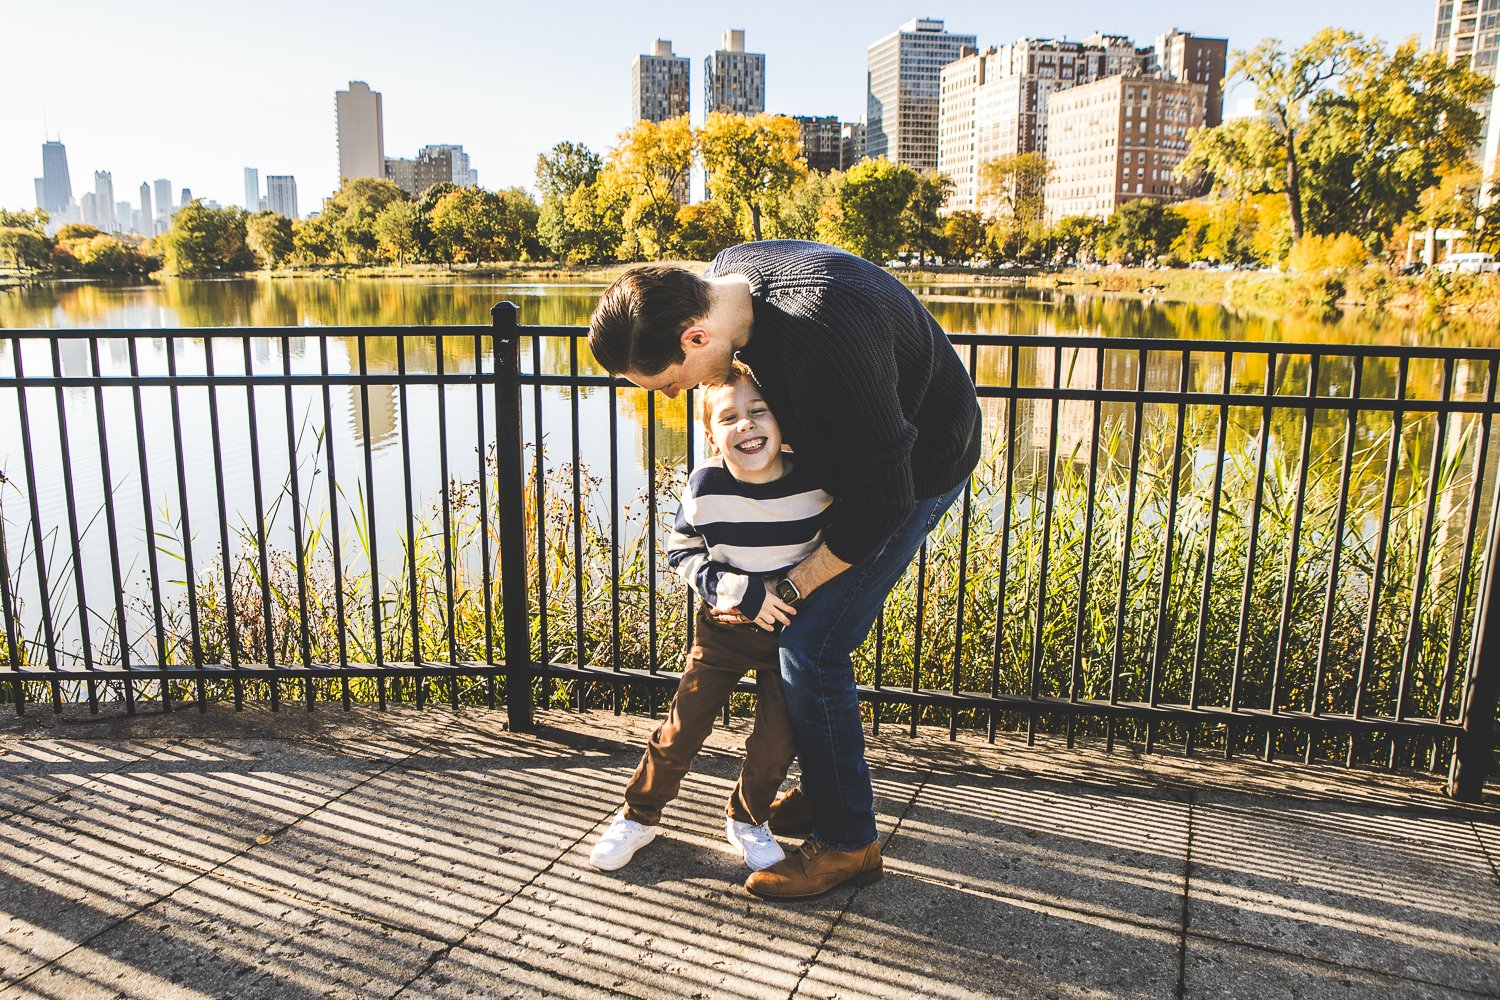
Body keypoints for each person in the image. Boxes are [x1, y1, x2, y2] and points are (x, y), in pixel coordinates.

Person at [588, 240, 981, 900]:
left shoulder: (824, 339)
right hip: (865, 459)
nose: (677, 394)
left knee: (811, 644)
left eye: (670, 382)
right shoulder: (729, 281)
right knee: (807, 641)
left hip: (918, 471)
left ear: (695, 335)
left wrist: (788, 586)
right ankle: (828, 791)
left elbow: (881, 498)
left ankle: (849, 844)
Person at [588, 364, 833, 874]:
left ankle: (747, 818)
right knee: (684, 727)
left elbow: (841, 549)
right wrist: (738, 592)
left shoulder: (816, 483)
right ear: (710, 434)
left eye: (758, 411)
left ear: (781, 422)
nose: (745, 425)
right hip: (723, 631)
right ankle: (640, 815)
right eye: (729, 418)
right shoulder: (706, 485)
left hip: (790, 636)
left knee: (776, 743)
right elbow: (682, 554)